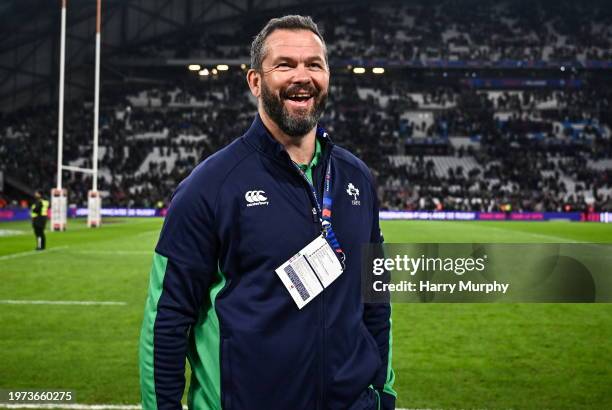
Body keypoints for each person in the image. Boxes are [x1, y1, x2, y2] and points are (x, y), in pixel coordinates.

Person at [139, 15, 396, 410]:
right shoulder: (210, 186)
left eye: (314, 64)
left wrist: (384, 393)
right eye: (284, 65)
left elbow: (375, 297)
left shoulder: (357, 178)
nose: (302, 76)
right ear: (255, 82)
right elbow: (167, 319)